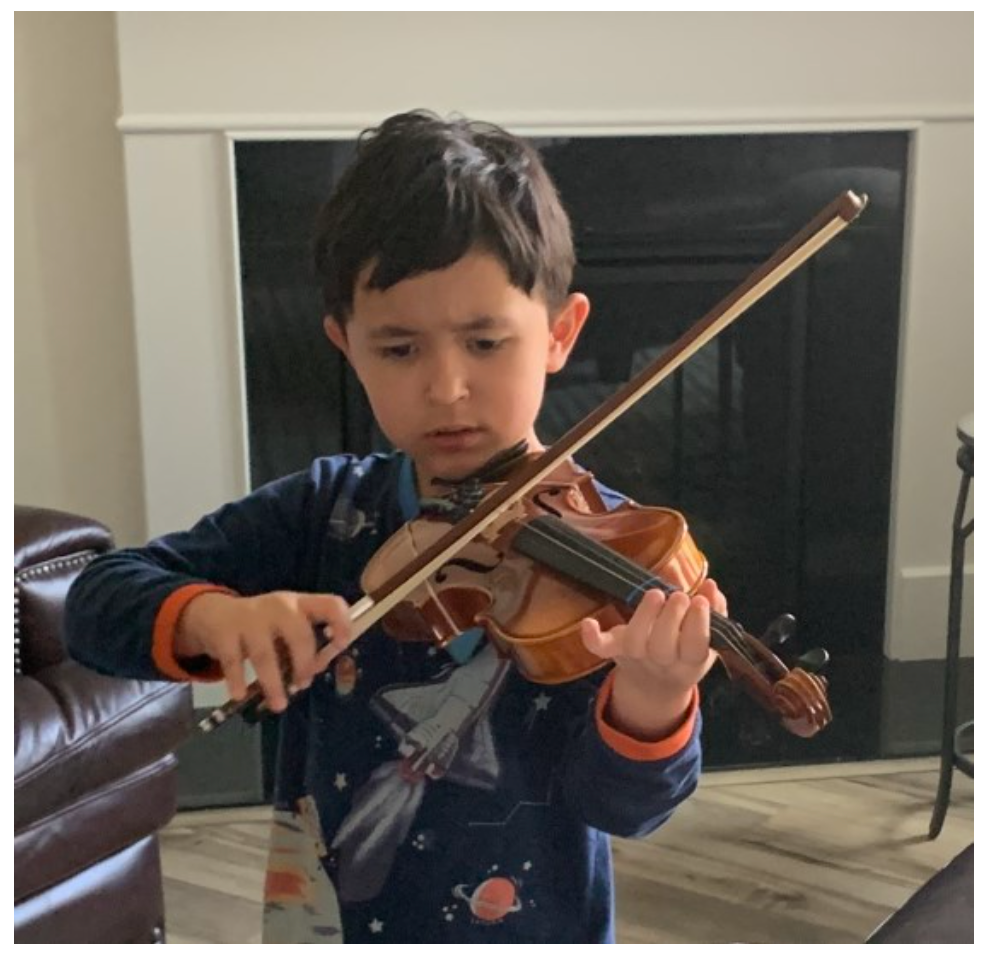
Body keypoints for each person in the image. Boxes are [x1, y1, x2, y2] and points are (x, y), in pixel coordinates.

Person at [65, 109, 726, 944]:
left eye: (485, 342)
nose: (446, 388)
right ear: (346, 345)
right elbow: (95, 601)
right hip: (328, 923)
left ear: (560, 334)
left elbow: (624, 810)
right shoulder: (325, 511)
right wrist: (216, 616)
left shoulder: (611, 560)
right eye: (400, 350)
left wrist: (655, 699)